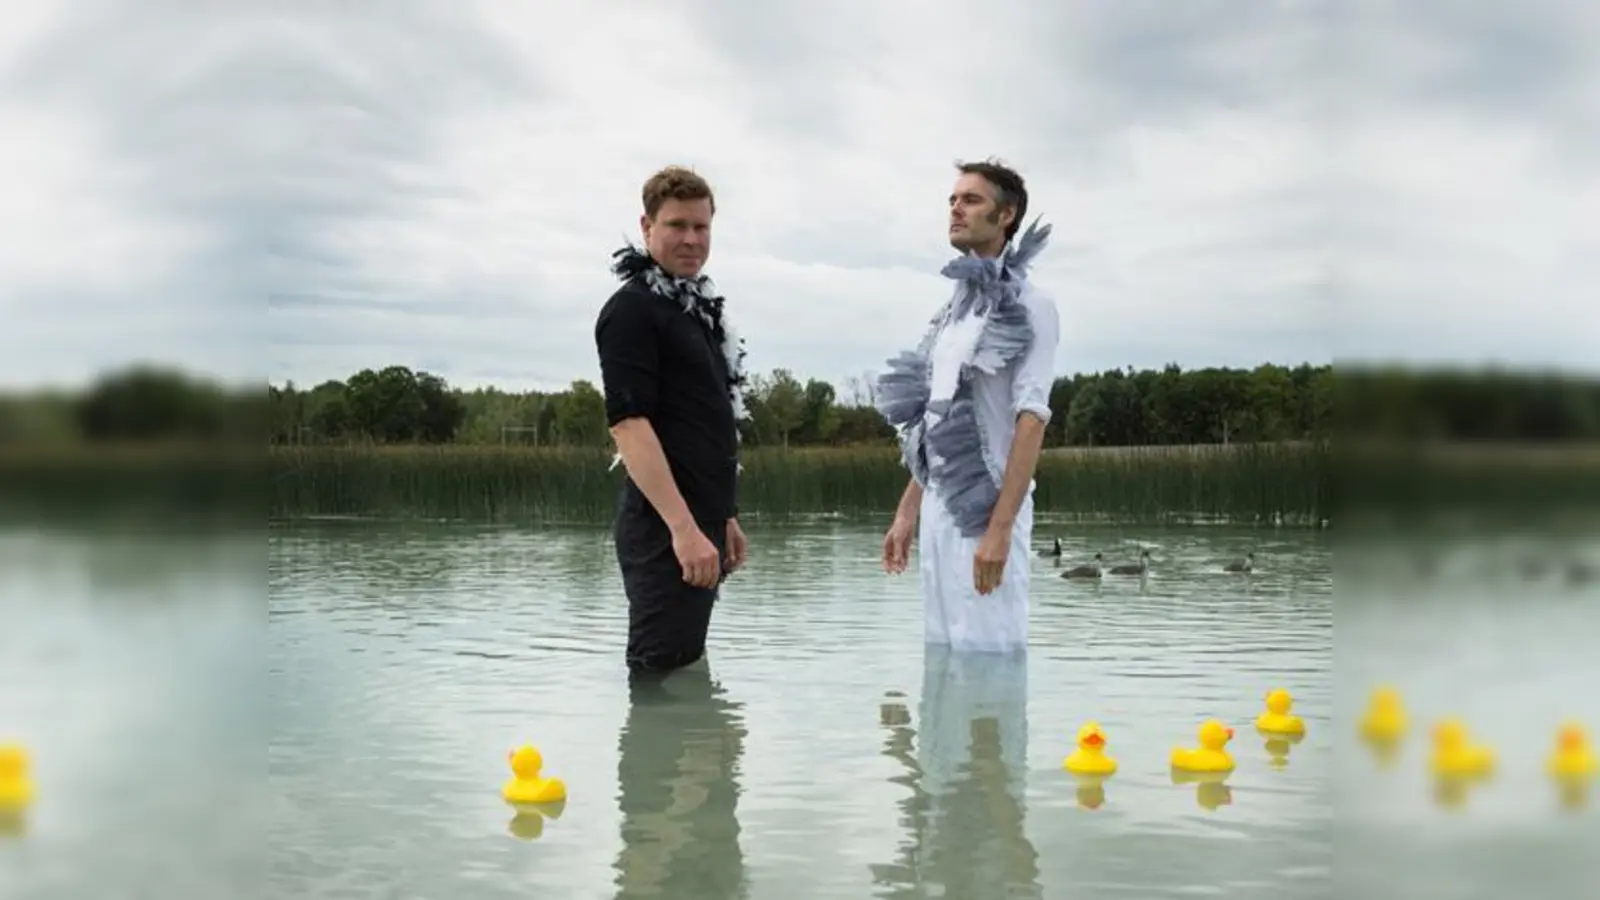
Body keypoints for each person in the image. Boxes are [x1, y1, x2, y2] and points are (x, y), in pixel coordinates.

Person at [875, 158, 1059, 653]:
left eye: (971, 200)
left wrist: (998, 532)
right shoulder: (951, 312)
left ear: (1006, 216)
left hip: (990, 511)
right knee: (942, 660)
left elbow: (1032, 418)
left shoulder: (1033, 305)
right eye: (953, 200)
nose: (956, 209)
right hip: (939, 510)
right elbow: (939, 420)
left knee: (988, 658)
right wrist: (907, 511)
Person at [594, 165, 750, 674]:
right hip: (663, 527)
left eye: (701, 227)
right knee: (659, 673)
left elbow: (702, 423)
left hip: (701, 523)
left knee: (688, 667)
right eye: (677, 225)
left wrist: (722, 515)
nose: (691, 239)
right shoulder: (632, 311)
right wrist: (683, 528)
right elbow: (629, 426)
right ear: (646, 228)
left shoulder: (694, 310)